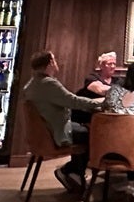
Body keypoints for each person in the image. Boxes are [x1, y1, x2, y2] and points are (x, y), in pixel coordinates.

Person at [22, 50, 102, 192]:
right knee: (96, 135)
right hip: (58, 132)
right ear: (50, 64)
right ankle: (71, 171)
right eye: (54, 60)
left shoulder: (32, 84)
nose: (56, 63)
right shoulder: (49, 84)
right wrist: (100, 103)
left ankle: (74, 172)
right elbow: (73, 101)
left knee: (85, 130)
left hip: (45, 134)